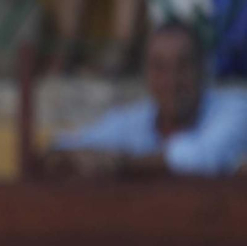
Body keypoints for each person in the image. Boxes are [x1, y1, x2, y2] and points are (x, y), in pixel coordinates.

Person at [45, 20, 247, 178]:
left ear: (203, 69)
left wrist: (121, 164)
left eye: (183, 65)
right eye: (160, 67)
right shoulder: (134, 119)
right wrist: (74, 158)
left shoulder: (237, 109)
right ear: (147, 75)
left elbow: (203, 158)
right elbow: (63, 146)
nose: (171, 80)